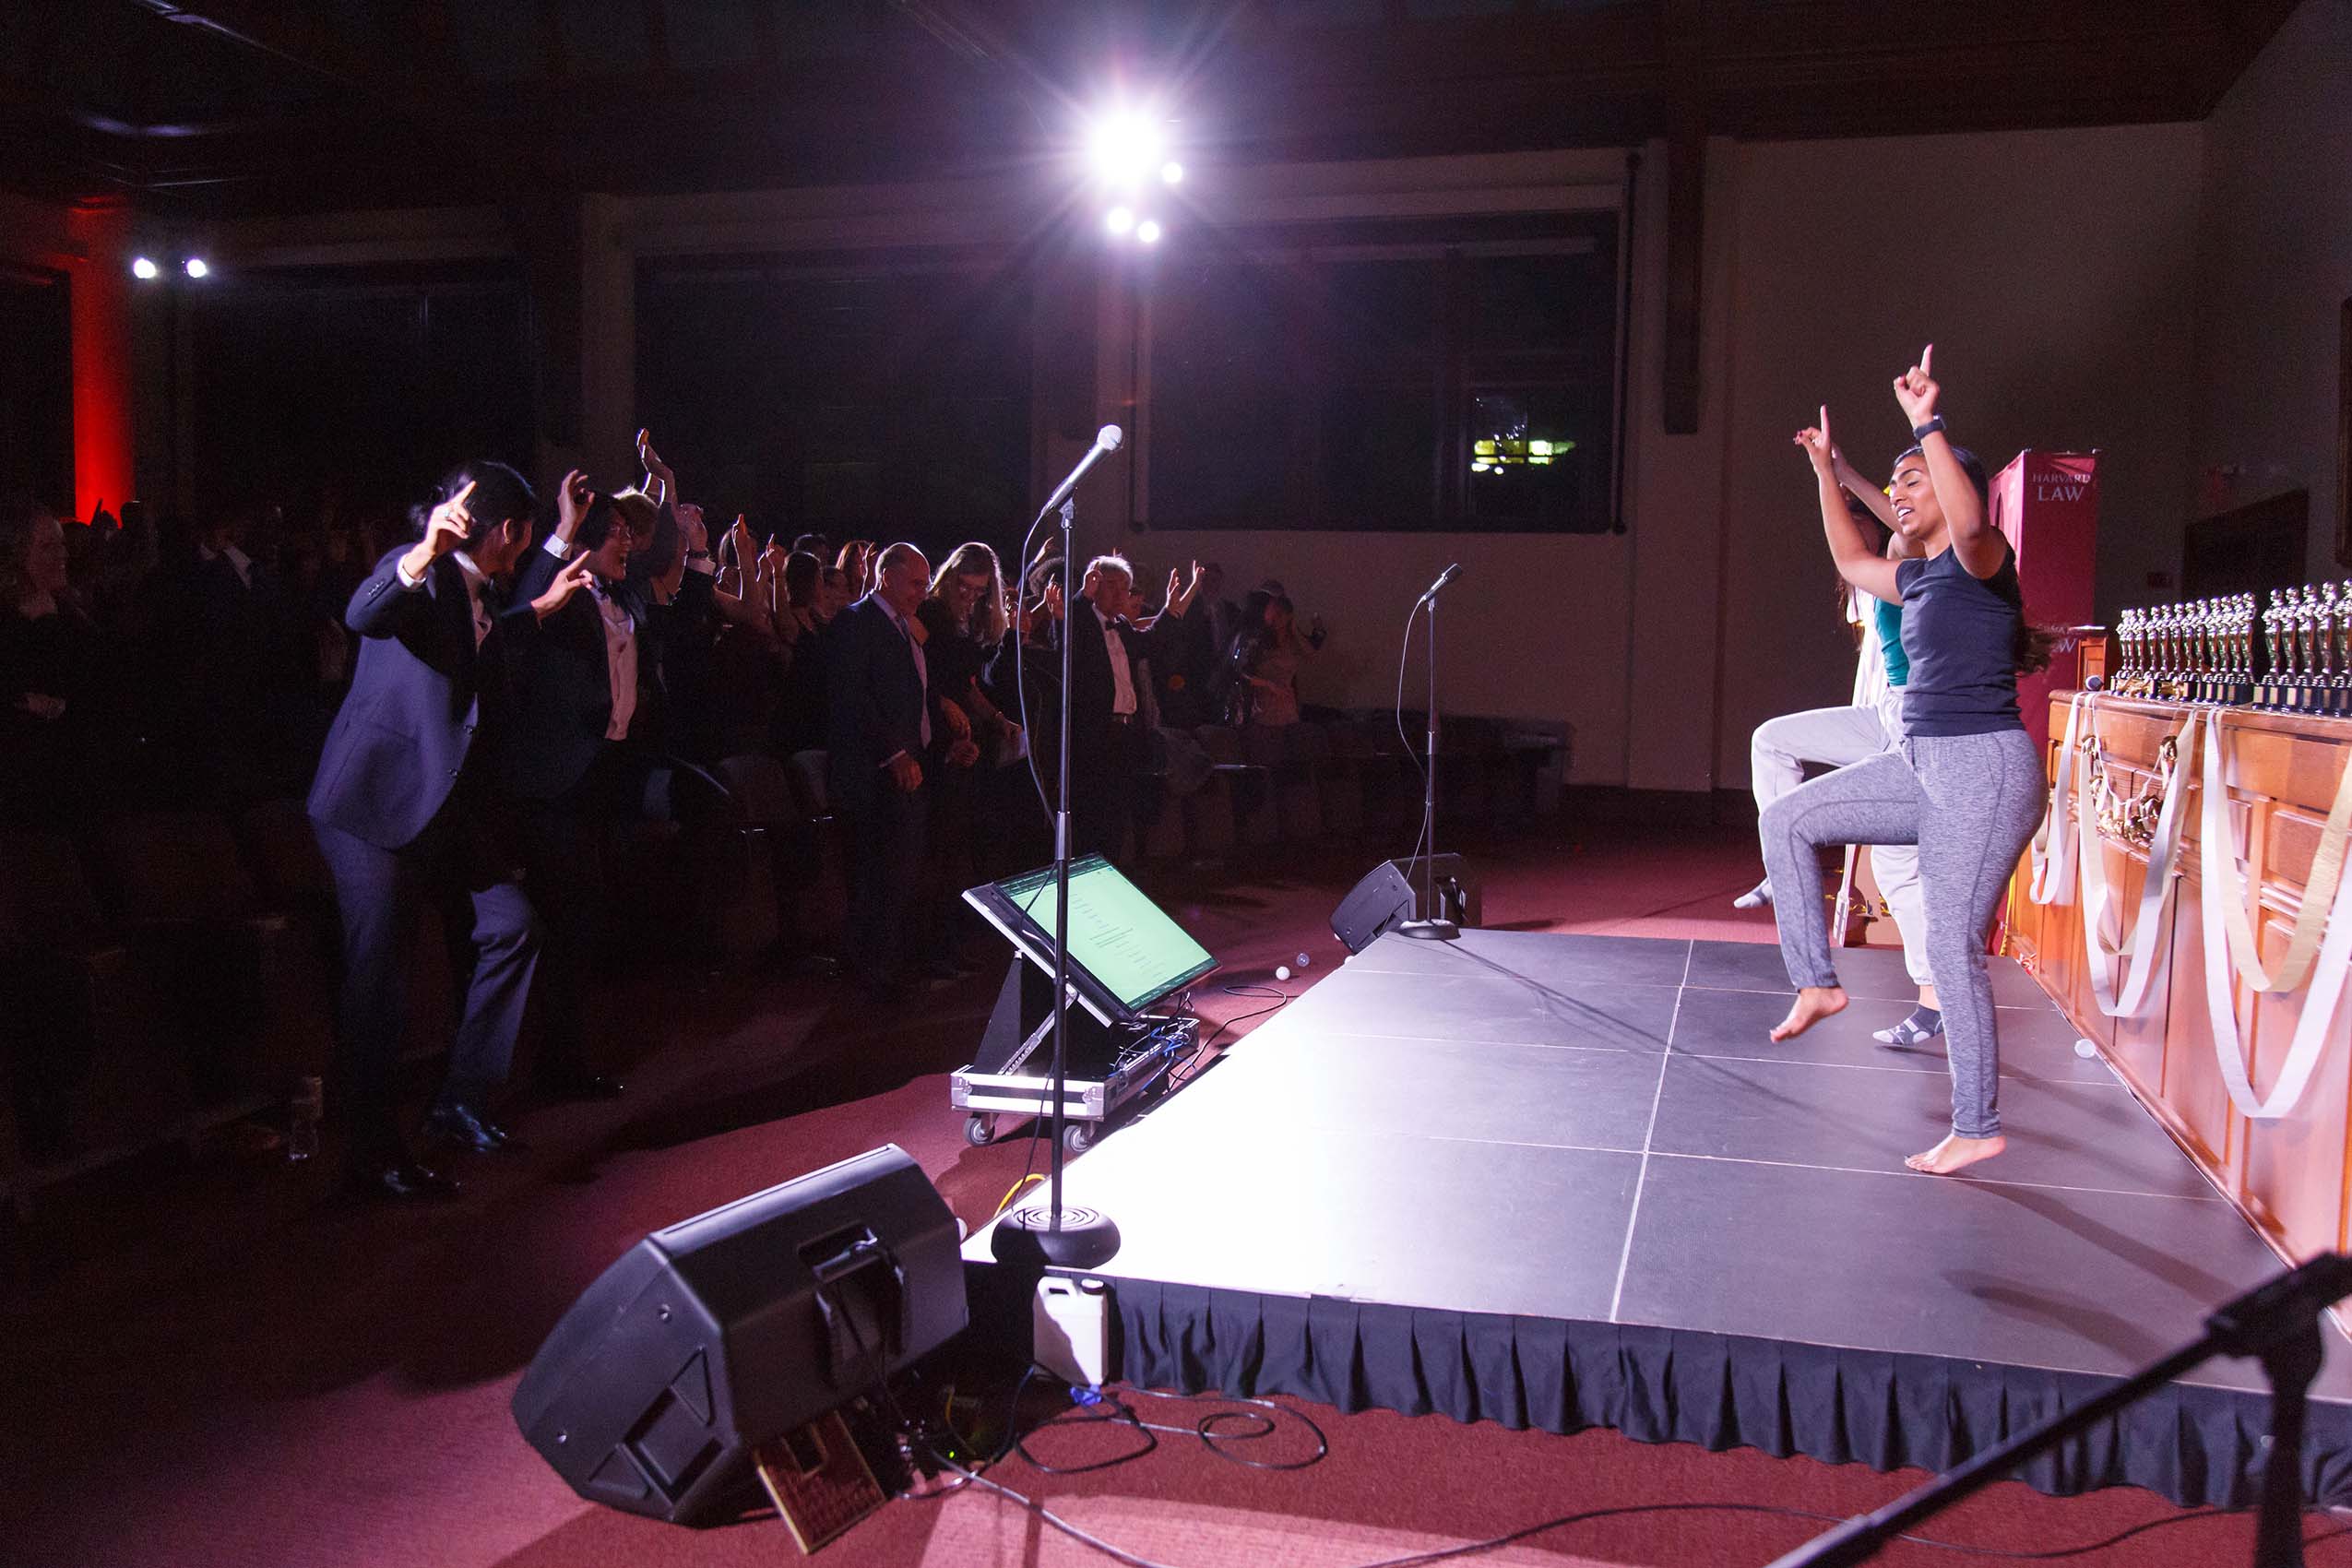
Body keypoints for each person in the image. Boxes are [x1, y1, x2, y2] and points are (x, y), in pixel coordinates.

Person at [1760, 347, 2049, 1176]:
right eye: (1896, 485)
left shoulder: (1981, 561)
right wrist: (1824, 471)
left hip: (1983, 771)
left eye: (1912, 482)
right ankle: (1818, 981)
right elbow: (1851, 561)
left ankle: (1978, 1122)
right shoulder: (1917, 580)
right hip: (1919, 762)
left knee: (1953, 947)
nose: (1898, 494)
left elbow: (1970, 520)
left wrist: (1927, 423)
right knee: (1787, 818)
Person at [306, 463, 594, 1202]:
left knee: (511, 926)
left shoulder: (481, 597)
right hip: (374, 810)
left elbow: (490, 637)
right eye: (527, 533)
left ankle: (461, 1100)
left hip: (439, 813)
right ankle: (370, 1158)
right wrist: (422, 551)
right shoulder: (423, 578)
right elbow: (365, 612)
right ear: (508, 533)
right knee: (380, 987)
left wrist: (543, 607)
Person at [503, 483, 717, 1099]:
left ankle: (566, 1056)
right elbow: (524, 605)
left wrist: (698, 557)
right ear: (589, 540)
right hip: (556, 782)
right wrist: (562, 528)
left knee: (591, 918)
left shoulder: (624, 596)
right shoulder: (559, 594)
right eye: (619, 533)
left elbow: (676, 622)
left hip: (608, 776)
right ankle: (545, 1063)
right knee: (566, 918)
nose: (629, 541)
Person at [1737, 497, 1943, 1049]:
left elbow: (1897, 530)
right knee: (1771, 741)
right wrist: (1827, 472)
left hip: (1911, 731)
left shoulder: (1921, 557)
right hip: (1879, 717)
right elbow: (1872, 658)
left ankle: (1931, 1001)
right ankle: (1782, 867)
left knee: (1901, 871)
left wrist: (1838, 474)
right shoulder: (1866, 581)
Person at [828, 543, 937, 997]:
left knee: (901, 872)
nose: (923, 592)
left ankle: (888, 965)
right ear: (887, 576)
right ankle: (871, 972)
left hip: (906, 768)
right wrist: (894, 754)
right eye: (915, 582)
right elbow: (852, 697)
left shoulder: (902, 628)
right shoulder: (856, 622)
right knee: (878, 874)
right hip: (874, 775)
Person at [0, 497, 105, 826]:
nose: (62, 555)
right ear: (15, 556)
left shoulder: (70, 614)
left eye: (61, 544)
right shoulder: (13, 623)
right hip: (27, 799)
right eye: (47, 547)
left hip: (77, 787)